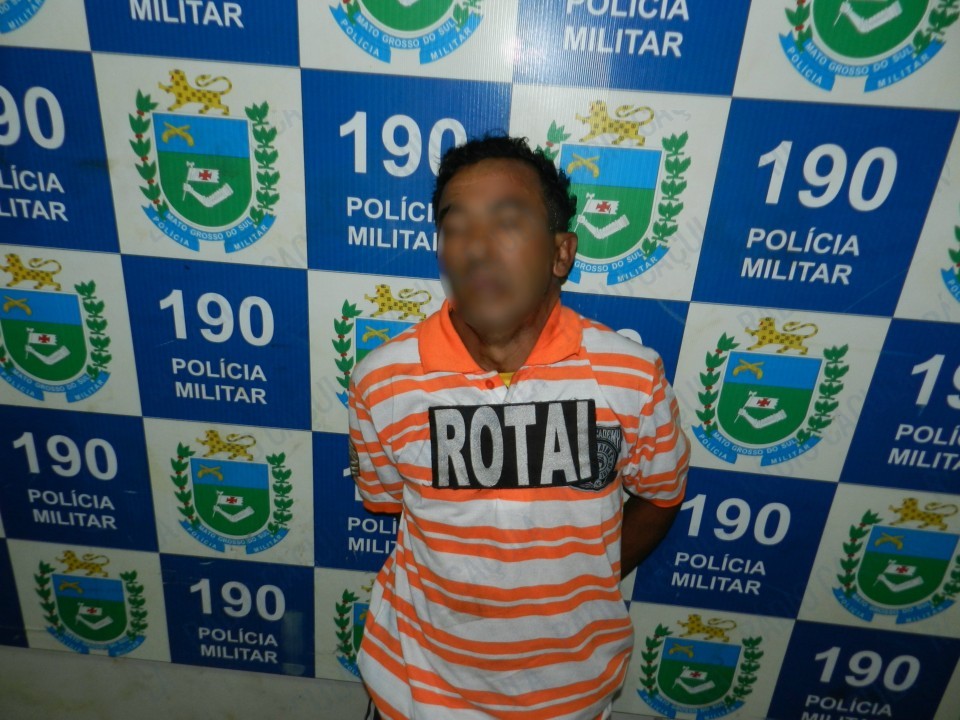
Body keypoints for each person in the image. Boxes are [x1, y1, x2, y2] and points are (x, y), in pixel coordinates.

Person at [348, 135, 690, 720]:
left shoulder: (632, 378)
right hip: (413, 696)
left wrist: (582, 579)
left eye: (507, 222)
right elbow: (386, 501)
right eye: (456, 227)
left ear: (561, 253)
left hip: (569, 699)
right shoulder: (382, 381)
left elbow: (661, 494)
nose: (476, 249)